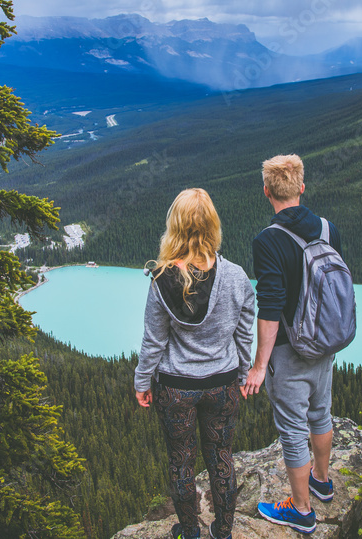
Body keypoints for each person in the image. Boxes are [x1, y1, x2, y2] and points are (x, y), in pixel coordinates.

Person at [134, 188, 256, 539]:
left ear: (176, 226)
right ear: (212, 225)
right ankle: (225, 531)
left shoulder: (162, 279)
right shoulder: (236, 276)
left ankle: (189, 532)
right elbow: (244, 333)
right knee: (222, 457)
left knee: (181, 462)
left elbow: (154, 341)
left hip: (177, 389)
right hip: (223, 384)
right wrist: (244, 371)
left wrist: (143, 382)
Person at [242, 154, 342, 534]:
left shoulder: (267, 240)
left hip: (288, 350)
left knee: (291, 429)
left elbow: (270, 306)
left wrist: (259, 365)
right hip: (325, 344)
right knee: (321, 412)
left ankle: (301, 510)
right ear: (302, 187)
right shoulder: (330, 230)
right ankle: (322, 480)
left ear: (267, 191)